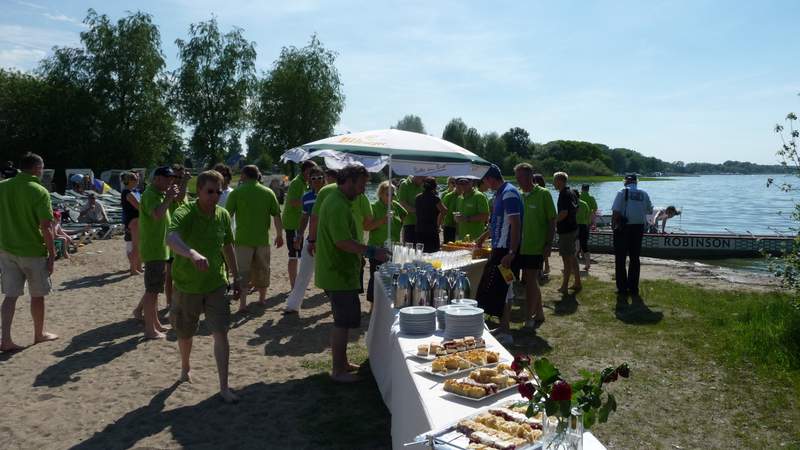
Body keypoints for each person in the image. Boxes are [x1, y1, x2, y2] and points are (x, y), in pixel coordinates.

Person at [166, 169, 240, 403]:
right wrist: (192, 254)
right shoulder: (185, 212)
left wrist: (236, 276)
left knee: (221, 333)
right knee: (186, 332)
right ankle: (185, 367)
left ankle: (224, 387)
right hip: (187, 285)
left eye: (218, 192)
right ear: (198, 191)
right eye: (209, 191)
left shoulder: (222, 215)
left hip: (216, 283)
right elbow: (171, 238)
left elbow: (228, 246)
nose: (214, 196)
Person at [314, 164, 388, 382]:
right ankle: (337, 371)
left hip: (342, 271)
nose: (365, 188)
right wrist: (372, 251)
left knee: (344, 322)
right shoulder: (337, 204)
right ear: (349, 181)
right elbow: (342, 242)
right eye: (362, 184)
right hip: (336, 272)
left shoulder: (344, 201)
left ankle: (343, 363)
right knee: (342, 322)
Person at [0, 153, 58, 352]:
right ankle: (39, 334)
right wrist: (52, 255)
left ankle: (5, 338)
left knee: (10, 296)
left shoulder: (3, 186)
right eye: (41, 168)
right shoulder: (39, 191)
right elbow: (46, 227)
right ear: (36, 168)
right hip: (32, 250)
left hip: (6, 248)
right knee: (37, 295)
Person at [225, 165, 284, 313]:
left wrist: (226, 236)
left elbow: (227, 216)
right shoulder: (268, 192)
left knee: (243, 272)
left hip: (242, 239)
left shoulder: (237, 193)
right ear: (258, 176)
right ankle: (262, 299)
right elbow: (276, 215)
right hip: (262, 239)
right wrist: (279, 235)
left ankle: (243, 303)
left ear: (244, 176)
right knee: (263, 269)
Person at [474, 164, 522, 345]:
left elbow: (515, 224)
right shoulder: (500, 193)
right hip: (499, 247)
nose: (485, 185)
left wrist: (511, 252)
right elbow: (496, 221)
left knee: (502, 288)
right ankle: (503, 325)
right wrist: (483, 236)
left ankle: (506, 331)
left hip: (505, 250)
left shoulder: (509, 193)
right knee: (503, 289)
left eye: (485, 181)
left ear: (490, 178)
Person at [135, 166, 179, 339]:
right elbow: (157, 215)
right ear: (156, 179)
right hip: (153, 249)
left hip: (160, 249)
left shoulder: (159, 194)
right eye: (167, 178)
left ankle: (155, 324)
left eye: (171, 178)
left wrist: (169, 196)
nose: (170, 181)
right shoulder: (150, 194)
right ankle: (149, 329)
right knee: (151, 291)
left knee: (154, 290)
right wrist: (168, 198)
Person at [515, 163, 555, 330]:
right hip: (519, 246)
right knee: (529, 281)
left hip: (536, 246)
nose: (518, 181)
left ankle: (528, 317)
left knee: (530, 281)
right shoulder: (518, 194)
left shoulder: (544, 194)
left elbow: (552, 220)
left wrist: (548, 244)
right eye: (516, 177)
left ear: (530, 176)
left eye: (520, 177)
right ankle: (539, 313)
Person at [284, 167, 327, 314]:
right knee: (303, 273)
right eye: (313, 178)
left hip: (329, 241)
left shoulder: (331, 194)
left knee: (330, 272)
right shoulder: (306, 197)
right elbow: (304, 218)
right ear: (309, 180)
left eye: (320, 177)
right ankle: (293, 305)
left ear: (324, 178)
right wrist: (299, 235)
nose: (317, 181)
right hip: (312, 239)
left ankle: (336, 305)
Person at [612, 173, 653, 303]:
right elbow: (649, 210)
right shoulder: (644, 193)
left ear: (626, 182)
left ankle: (622, 288)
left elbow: (616, 212)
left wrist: (613, 226)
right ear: (636, 182)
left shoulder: (621, 192)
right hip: (639, 228)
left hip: (623, 228)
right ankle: (633, 288)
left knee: (620, 258)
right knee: (635, 258)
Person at [365, 180, 406, 305]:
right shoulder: (374, 206)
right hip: (377, 247)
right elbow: (367, 226)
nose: (391, 197)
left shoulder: (395, 206)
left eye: (393, 194)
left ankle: (388, 301)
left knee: (393, 274)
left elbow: (405, 215)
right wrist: (383, 221)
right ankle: (373, 303)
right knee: (376, 276)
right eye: (388, 194)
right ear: (380, 194)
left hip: (393, 247)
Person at [282, 161, 318, 290]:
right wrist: (311, 202)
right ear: (304, 171)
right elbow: (292, 202)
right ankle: (293, 285)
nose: (312, 174)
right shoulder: (297, 183)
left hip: (298, 223)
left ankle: (296, 283)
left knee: (299, 254)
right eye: (310, 172)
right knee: (294, 255)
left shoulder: (306, 183)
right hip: (292, 223)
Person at [165, 164, 191, 309]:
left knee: (181, 272)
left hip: (183, 238)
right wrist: (185, 181)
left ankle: (176, 300)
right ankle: (170, 302)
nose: (178, 179)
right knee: (170, 274)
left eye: (180, 177)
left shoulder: (182, 189)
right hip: (172, 238)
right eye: (176, 176)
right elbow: (179, 198)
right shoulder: (172, 189)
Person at [553, 172, 581, 294]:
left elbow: (563, 213)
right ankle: (578, 282)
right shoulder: (572, 193)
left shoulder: (564, 194)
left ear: (560, 181)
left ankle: (564, 286)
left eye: (554, 181)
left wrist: (553, 222)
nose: (554, 183)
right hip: (573, 228)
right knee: (572, 257)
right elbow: (577, 208)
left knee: (566, 259)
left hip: (567, 231)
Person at [415, 177, 447, 253]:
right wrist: (438, 224)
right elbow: (444, 210)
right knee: (433, 253)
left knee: (421, 253)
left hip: (420, 229)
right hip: (431, 230)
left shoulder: (417, 197)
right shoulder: (435, 198)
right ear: (435, 186)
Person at [454, 177, 490, 242]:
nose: (463, 185)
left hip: (476, 237)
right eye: (461, 183)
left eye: (466, 183)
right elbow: (458, 216)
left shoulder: (479, 196)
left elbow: (486, 216)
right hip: (462, 237)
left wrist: (466, 218)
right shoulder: (459, 198)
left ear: (472, 183)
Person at [121, 172, 142, 275]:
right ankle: (133, 269)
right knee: (136, 246)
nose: (138, 181)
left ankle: (138, 267)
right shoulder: (127, 192)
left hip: (136, 220)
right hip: (133, 220)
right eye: (136, 179)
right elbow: (139, 206)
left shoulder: (133, 191)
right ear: (130, 181)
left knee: (139, 245)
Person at [397, 175, 425, 244]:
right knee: (409, 248)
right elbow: (402, 204)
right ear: (417, 176)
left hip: (421, 223)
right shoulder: (404, 184)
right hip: (409, 222)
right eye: (423, 179)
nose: (423, 182)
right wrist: (417, 211)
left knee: (420, 248)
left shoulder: (423, 185)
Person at [533, 173, 551, 279]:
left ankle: (541, 270)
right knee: (543, 250)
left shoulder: (543, 193)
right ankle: (546, 267)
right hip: (540, 226)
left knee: (541, 250)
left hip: (542, 227)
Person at [575, 189, 591, 272]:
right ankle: (588, 264)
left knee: (576, 247)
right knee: (584, 246)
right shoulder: (584, 204)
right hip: (584, 226)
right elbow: (587, 216)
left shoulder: (573, 204)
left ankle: (573, 265)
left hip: (576, 226)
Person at [440, 177, 458, 244]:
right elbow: (441, 209)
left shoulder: (460, 193)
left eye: (455, 182)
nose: (454, 184)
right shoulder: (445, 194)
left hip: (457, 223)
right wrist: (441, 223)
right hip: (447, 222)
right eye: (452, 183)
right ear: (448, 184)